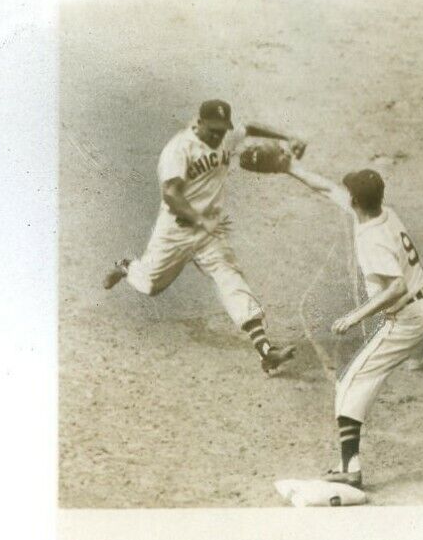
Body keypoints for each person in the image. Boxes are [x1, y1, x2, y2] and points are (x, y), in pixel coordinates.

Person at [285, 162, 423, 488]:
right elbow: (329, 190)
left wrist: (354, 316)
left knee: (349, 383)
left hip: (408, 316)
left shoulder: (373, 240)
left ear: (356, 202)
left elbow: (396, 288)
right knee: (422, 353)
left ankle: (350, 466)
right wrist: (290, 167)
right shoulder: (384, 212)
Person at [103, 98, 303, 374]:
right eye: (213, 130)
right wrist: (200, 220)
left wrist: (288, 137)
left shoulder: (225, 136)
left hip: (210, 234)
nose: (218, 136)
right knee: (150, 286)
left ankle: (266, 351)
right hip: (176, 231)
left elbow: (251, 127)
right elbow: (171, 195)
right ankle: (128, 267)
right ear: (198, 122)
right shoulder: (178, 150)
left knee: (231, 280)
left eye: (222, 130)